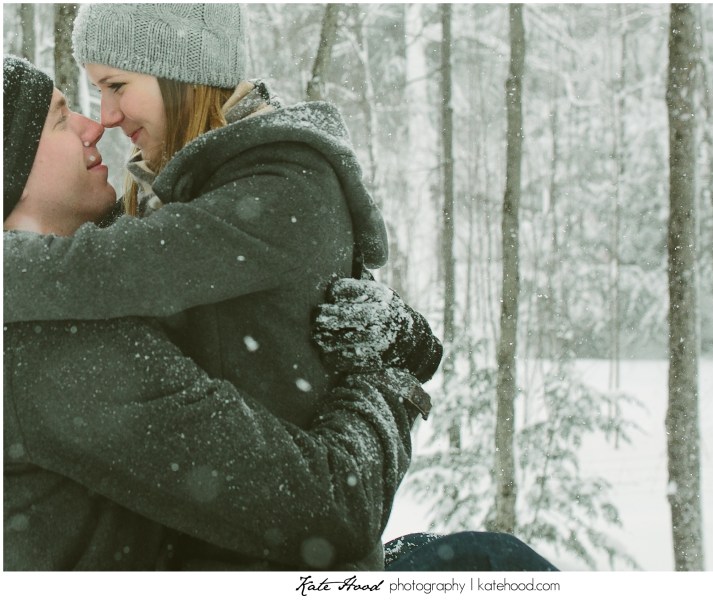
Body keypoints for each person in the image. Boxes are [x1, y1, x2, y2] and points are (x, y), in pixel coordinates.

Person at [3, 5, 442, 570]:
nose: (102, 120)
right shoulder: (55, 351)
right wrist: (389, 375)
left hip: (287, 562)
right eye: (68, 115)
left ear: (179, 74)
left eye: (115, 87)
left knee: (489, 558)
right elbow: (331, 510)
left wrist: (404, 346)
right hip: (277, 554)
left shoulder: (266, 185)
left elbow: (126, 264)